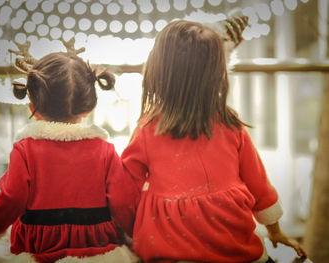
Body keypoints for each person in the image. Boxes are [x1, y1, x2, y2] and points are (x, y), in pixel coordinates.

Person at [121, 20, 307, 263]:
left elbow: (123, 191)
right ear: (217, 73)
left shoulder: (147, 129)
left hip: (167, 249)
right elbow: (259, 185)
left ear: (159, 68)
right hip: (235, 249)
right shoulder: (231, 124)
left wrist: (129, 228)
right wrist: (275, 231)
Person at [0, 51, 139, 263]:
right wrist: (133, 235)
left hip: (38, 247)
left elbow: (13, 198)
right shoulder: (104, 150)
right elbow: (122, 201)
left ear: (32, 108)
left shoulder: (25, 150)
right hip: (97, 246)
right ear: (89, 108)